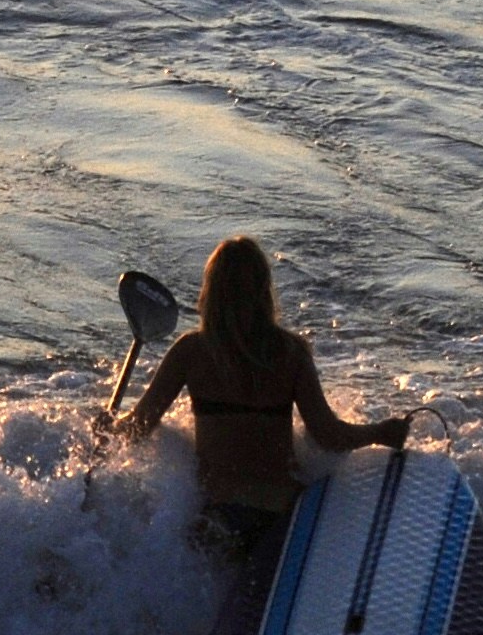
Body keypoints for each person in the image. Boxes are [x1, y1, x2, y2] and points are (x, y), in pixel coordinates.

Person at [115, 235, 407, 552]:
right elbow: (327, 434)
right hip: (282, 515)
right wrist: (381, 432)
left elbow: (138, 427)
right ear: (263, 291)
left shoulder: (192, 351)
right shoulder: (291, 352)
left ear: (210, 292)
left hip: (220, 516)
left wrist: (109, 430)